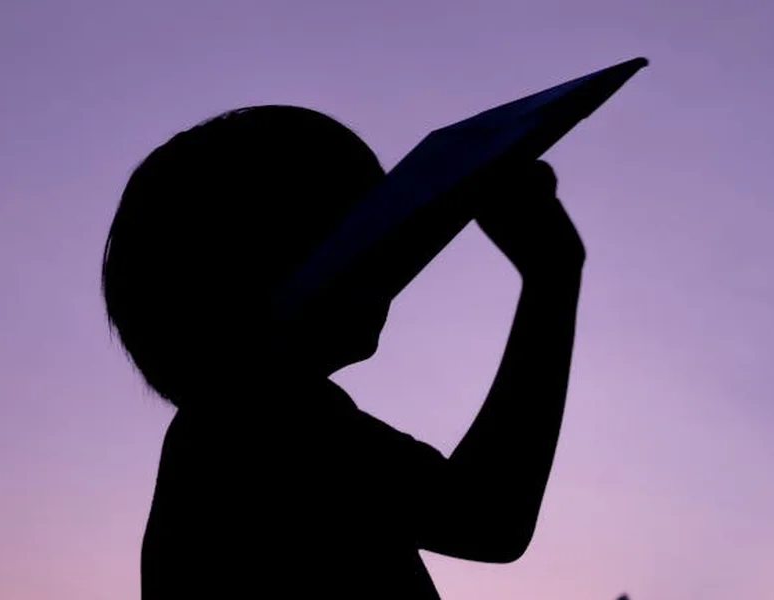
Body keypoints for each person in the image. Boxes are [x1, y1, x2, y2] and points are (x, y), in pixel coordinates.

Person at [101, 105, 586, 599]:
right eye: (362, 226)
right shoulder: (264, 426)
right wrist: (552, 274)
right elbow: (488, 517)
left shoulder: (226, 430)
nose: (393, 252)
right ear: (268, 261)